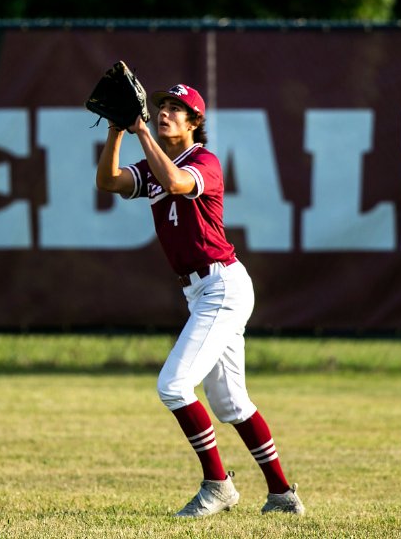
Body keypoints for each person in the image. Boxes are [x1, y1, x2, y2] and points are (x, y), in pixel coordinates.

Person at [95, 83, 305, 519]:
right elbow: (109, 182)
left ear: (195, 123)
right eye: (163, 106)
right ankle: (282, 494)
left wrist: (139, 131)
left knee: (172, 386)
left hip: (221, 287)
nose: (166, 113)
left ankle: (218, 484)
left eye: (178, 109)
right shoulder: (153, 162)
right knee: (231, 403)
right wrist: (117, 131)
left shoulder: (203, 162)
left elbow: (174, 182)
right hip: (201, 292)